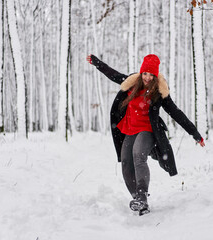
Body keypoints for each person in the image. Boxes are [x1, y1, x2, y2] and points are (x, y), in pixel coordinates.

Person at [87, 54, 205, 215]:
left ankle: (142, 196)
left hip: (148, 130)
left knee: (138, 154)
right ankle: (139, 201)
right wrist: (96, 62)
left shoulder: (159, 91)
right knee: (126, 162)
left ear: (155, 76)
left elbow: (176, 113)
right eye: (145, 74)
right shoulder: (131, 83)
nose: (148, 78)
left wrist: (195, 134)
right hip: (130, 129)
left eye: (151, 75)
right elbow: (112, 74)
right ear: (141, 73)